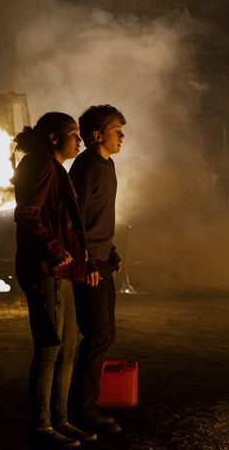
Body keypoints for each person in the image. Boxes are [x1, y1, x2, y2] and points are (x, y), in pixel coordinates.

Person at [13, 112, 100, 448]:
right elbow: (27, 214)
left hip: (60, 270)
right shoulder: (41, 166)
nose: (79, 141)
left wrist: (80, 258)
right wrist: (52, 249)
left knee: (68, 347)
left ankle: (60, 420)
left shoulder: (52, 167)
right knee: (50, 348)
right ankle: (42, 427)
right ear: (53, 138)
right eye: (73, 134)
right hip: (45, 269)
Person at [68, 104, 127, 435]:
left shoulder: (108, 166)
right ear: (96, 135)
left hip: (102, 259)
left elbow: (98, 218)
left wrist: (111, 250)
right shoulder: (86, 166)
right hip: (89, 264)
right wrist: (86, 258)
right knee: (97, 335)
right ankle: (83, 410)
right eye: (116, 129)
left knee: (105, 335)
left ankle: (85, 406)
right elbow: (75, 217)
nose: (122, 136)